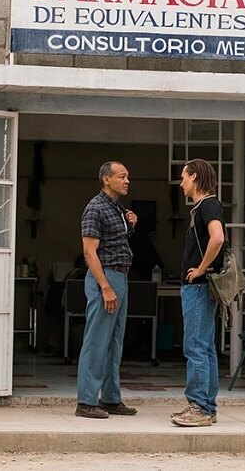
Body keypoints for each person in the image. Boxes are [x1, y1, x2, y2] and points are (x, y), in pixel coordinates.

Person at [75, 161, 139, 419]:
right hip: (106, 277)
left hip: (121, 276)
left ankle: (111, 398)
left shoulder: (117, 208)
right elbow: (89, 252)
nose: (127, 181)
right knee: (97, 340)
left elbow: (115, 242)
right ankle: (86, 400)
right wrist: (105, 286)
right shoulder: (95, 208)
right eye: (122, 176)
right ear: (106, 179)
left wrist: (130, 225)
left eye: (128, 177)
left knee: (114, 342)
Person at [171, 158, 226, 427]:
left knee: (195, 346)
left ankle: (199, 407)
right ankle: (208, 406)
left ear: (194, 177)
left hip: (198, 287)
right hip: (202, 287)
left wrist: (201, 269)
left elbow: (217, 238)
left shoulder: (208, 206)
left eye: (183, 177)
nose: (181, 183)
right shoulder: (205, 207)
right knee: (206, 347)